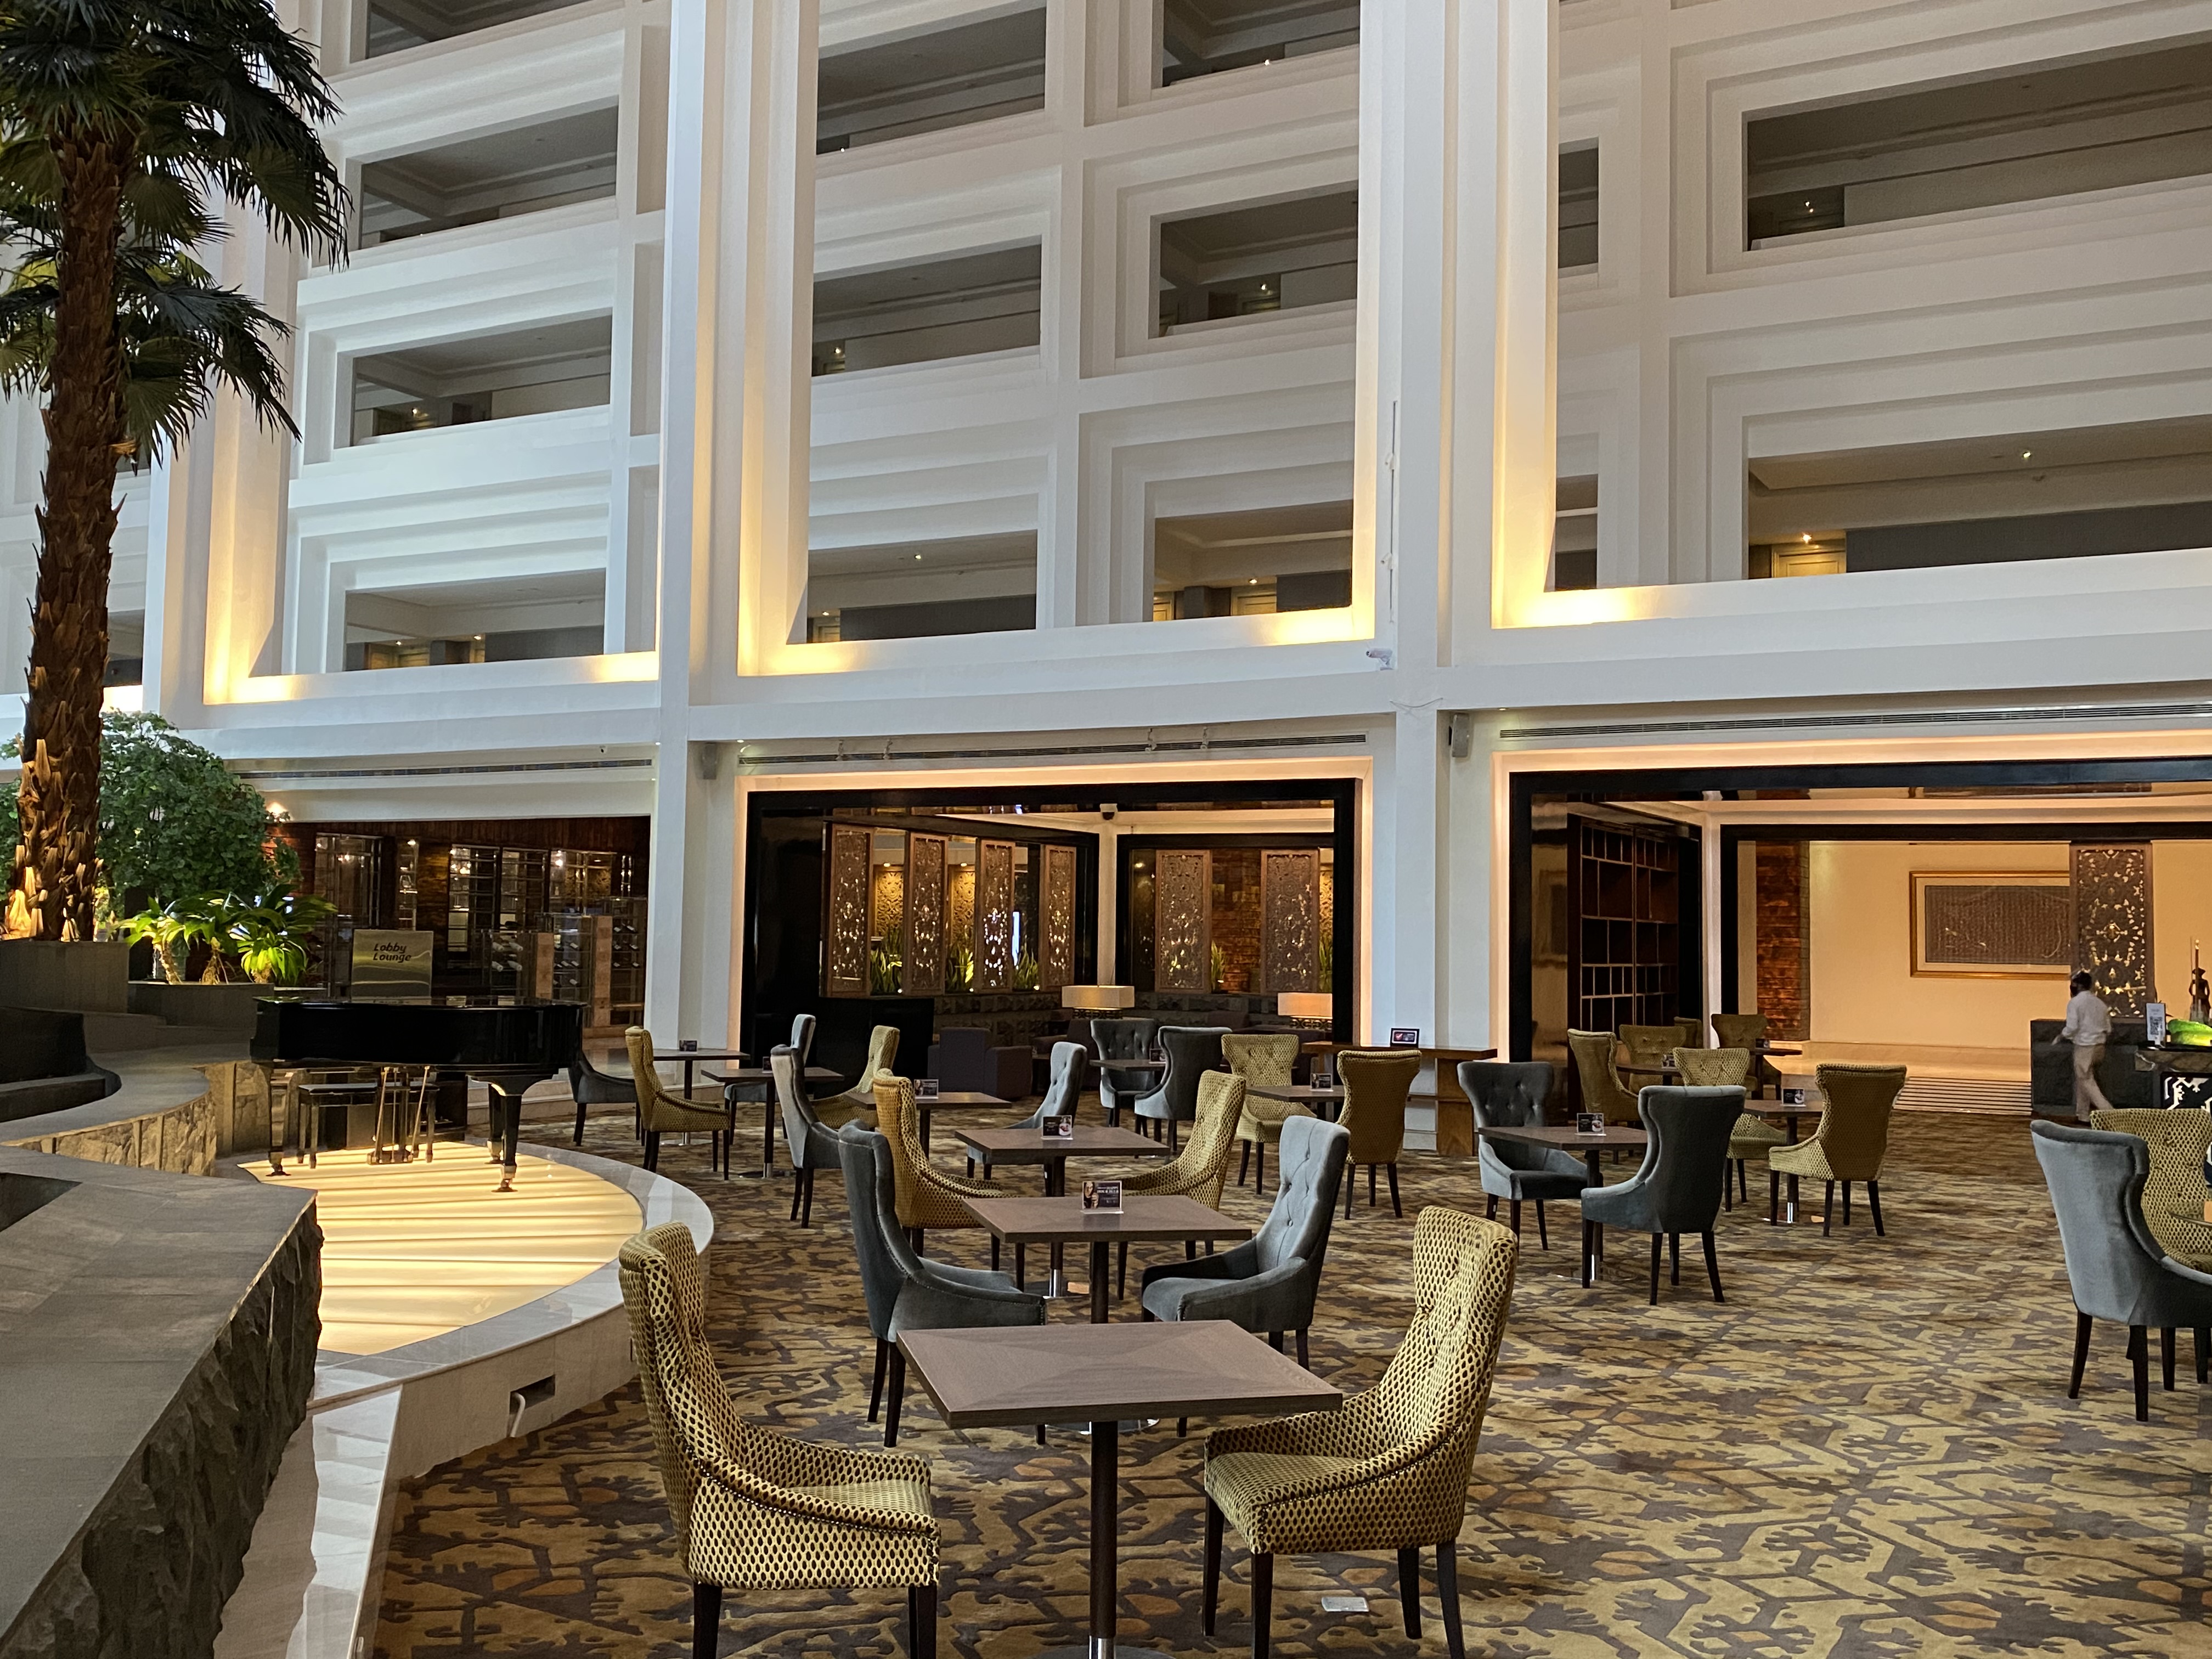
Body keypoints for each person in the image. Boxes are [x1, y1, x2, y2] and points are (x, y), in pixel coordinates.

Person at [2060, 970, 2113, 1120]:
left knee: (2087, 1081)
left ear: (2077, 985)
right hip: (2100, 1047)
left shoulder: (2075, 1003)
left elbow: (2072, 1027)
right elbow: (2108, 1029)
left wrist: (2062, 1035)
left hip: (2085, 1047)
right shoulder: (2100, 1003)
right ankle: (2083, 1115)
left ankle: (2111, 1114)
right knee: (2083, 1080)